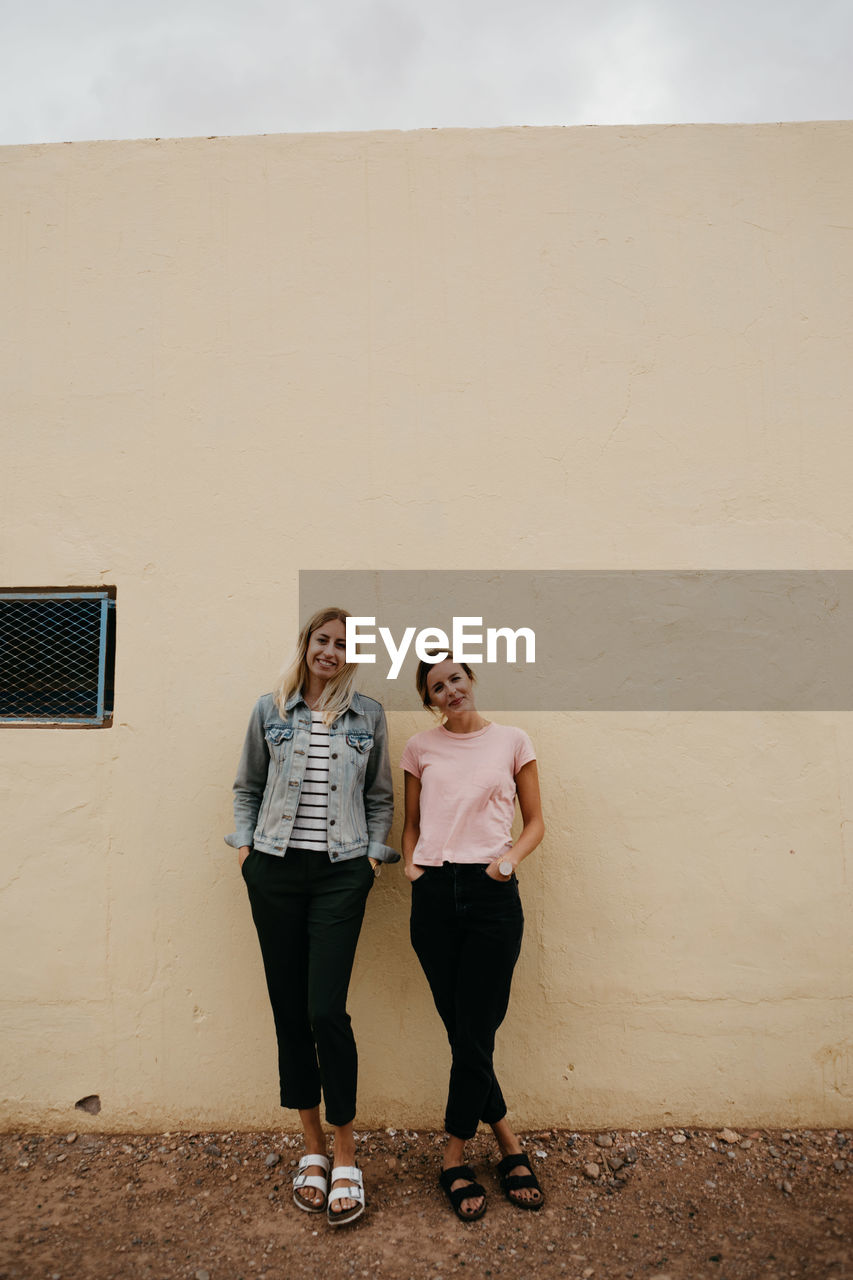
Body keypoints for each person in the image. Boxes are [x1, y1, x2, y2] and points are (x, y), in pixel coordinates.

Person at [226, 606, 398, 1226]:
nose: (331, 650)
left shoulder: (369, 716)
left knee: (326, 1008)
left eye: (343, 644)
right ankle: (314, 1150)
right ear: (306, 645)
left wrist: (372, 860)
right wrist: (246, 850)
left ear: (352, 656)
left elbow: (380, 796)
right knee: (290, 1009)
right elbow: (247, 786)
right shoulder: (270, 710)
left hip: (340, 874)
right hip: (272, 871)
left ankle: (348, 1153)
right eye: (322, 640)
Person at [401, 656, 546, 1221]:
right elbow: (411, 822)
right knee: (465, 1031)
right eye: (437, 686)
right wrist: (413, 869)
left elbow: (535, 820)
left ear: (470, 680)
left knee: (476, 1026)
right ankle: (508, 1143)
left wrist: (505, 864)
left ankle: (454, 1156)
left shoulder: (513, 740)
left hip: (491, 893)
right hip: (435, 894)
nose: (450, 690)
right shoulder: (420, 748)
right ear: (430, 699)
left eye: (455, 679)